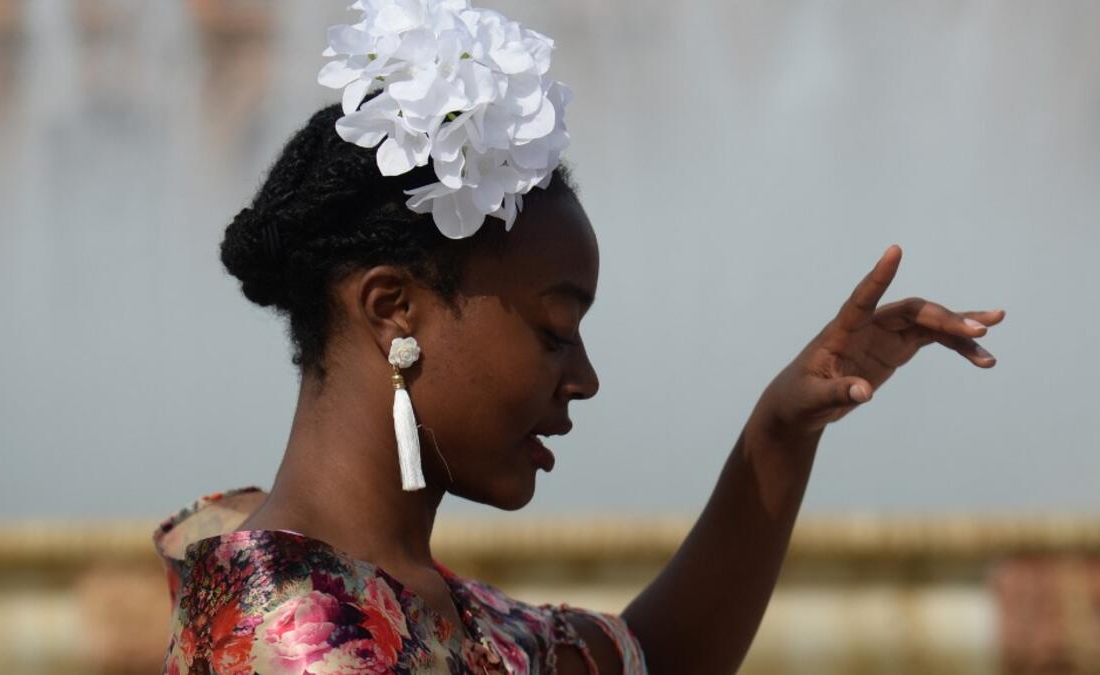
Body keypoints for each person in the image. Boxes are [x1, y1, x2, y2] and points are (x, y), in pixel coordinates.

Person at [151, 3, 1006, 674]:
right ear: (392, 308)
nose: (585, 376)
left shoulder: (385, 588)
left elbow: (653, 660)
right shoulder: (299, 643)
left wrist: (782, 429)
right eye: (555, 329)